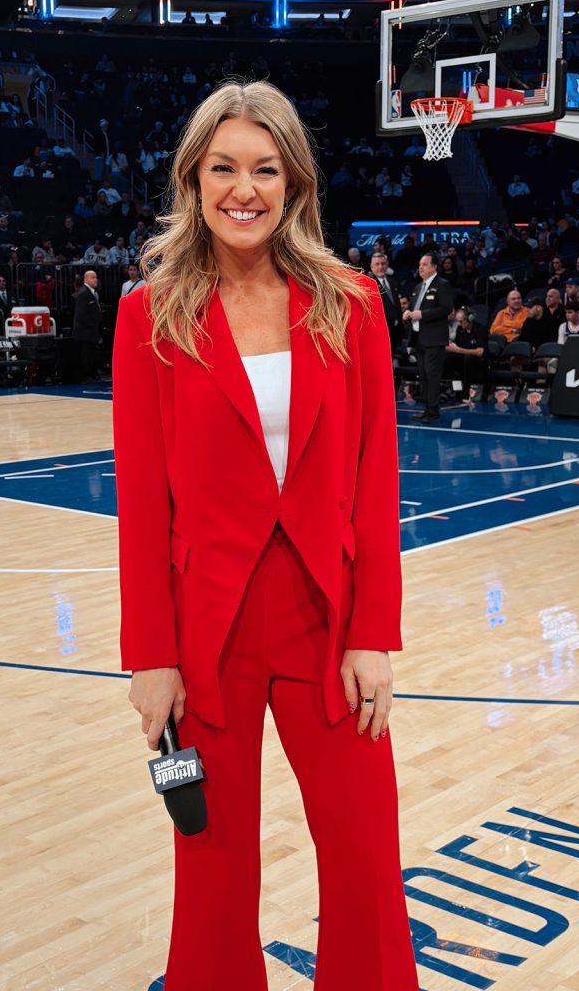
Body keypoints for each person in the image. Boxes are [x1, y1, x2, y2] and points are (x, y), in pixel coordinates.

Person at [113, 79, 416, 991]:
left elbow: (374, 480)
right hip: (208, 634)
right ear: (193, 180)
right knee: (212, 870)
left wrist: (372, 633)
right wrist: (150, 656)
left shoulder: (351, 304)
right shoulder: (148, 314)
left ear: (293, 186)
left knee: (364, 860)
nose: (243, 190)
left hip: (328, 627)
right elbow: (141, 503)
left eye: (264, 170)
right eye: (223, 169)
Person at [405, 252, 453, 423]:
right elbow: (414, 308)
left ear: (434, 267)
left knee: (432, 376)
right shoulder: (418, 287)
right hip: (419, 338)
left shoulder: (442, 285)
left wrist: (422, 314)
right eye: (420, 265)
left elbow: (446, 309)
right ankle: (426, 409)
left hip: (434, 339)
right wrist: (409, 313)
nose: (421, 268)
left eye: (425, 264)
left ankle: (433, 411)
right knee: (423, 375)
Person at [368, 251, 403, 382]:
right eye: (377, 264)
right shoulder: (368, 284)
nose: (380, 267)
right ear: (371, 267)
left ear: (387, 265)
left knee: (390, 366)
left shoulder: (393, 283)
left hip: (393, 334)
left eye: (383, 264)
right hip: (377, 334)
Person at [444, 307, 488, 397]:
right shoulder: (460, 329)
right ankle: (453, 389)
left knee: (468, 359)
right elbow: (456, 347)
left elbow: (480, 352)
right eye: (458, 321)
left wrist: (459, 350)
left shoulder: (481, 330)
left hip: (478, 362)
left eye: (461, 321)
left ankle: (466, 393)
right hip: (463, 358)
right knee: (448, 358)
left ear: (470, 318)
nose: (459, 324)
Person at [72, 268, 102, 380]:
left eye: (96, 277)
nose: (96, 280)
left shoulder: (91, 292)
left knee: (92, 354)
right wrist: (92, 326)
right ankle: (86, 376)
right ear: (86, 279)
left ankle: (91, 374)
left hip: (91, 331)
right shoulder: (83, 293)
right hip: (85, 332)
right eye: (93, 277)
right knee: (86, 355)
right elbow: (82, 314)